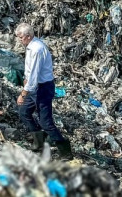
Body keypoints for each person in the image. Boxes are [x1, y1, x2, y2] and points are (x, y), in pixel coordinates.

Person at [15, 23, 72, 159]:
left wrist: (23, 93)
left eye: (20, 37)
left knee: (46, 122)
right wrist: (25, 79)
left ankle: (65, 150)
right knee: (24, 112)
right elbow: (29, 71)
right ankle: (39, 141)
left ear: (28, 37)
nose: (19, 40)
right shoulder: (30, 46)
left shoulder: (37, 49)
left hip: (42, 88)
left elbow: (34, 76)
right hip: (34, 86)